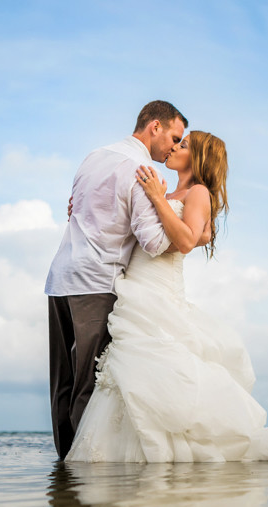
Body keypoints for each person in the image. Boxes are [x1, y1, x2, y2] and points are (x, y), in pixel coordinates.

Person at [65, 131, 268, 463]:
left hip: (158, 290)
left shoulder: (197, 192)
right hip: (134, 288)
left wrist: (157, 198)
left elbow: (185, 240)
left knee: (151, 362)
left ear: (197, 158)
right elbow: (178, 233)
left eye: (183, 146)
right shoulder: (176, 191)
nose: (173, 148)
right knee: (127, 371)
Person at [45, 101, 188, 458]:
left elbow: (76, 210)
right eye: (174, 137)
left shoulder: (94, 157)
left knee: (61, 383)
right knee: (87, 385)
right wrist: (169, 210)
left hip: (60, 277)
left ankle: (64, 473)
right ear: (154, 126)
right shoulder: (139, 170)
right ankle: (81, 475)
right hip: (95, 282)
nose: (174, 146)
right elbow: (154, 242)